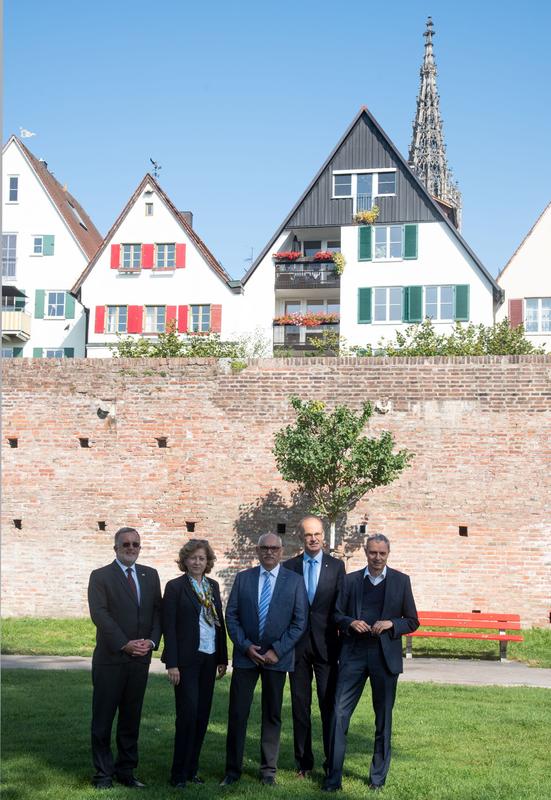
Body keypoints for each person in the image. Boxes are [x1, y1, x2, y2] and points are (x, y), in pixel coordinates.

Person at [323, 534, 419, 792]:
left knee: (383, 720)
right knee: (339, 714)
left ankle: (377, 779)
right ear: (366, 552)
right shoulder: (351, 580)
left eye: (382, 554)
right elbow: (336, 614)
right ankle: (333, 778)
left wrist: (391, 624)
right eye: (372, 553)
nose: (377, 558)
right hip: (353, 653)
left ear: (388, 554)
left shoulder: (401, 581)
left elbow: (412, 620)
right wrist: (349, 622)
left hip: (384, 657)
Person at [220, 533, 308, 787]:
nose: (269, 552)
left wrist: (277, 651)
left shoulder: (294, 582)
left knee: (272, 714)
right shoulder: (243, 579)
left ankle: (268, 771)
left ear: (282, 551)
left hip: (276, 659)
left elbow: (299, 622)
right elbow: (232, 616)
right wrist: (246, 647)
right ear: (257, 550)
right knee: (238, 713)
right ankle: (232, 770)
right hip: (247, 657)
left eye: (274, 548)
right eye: (264, 548)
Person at [88, 527, 162, 789]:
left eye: (136, 544)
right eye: (126, 544)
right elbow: (100, 615)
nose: (131, 548)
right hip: (111, 659)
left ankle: (126, 771)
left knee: (131, 719)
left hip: (140, 660)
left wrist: (151, 642)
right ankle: (103, 774)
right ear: (116, 547)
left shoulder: (150, 575)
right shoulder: (100, 577)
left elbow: (157, 613)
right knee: (103, 720)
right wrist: (124, 644)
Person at [282, 515, 345, 778]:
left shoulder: (336, 567)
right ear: (301, 537)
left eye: (318, 533)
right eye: (308, 534)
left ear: (324, 535)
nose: (314, 538)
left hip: (327, 646)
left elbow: (341, 607)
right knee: (300, 707)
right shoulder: (289, 567)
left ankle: (331, 763)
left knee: (329, 705)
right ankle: (303, 763)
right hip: (296, 648)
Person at [162, 539, 228, 789]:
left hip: (209, 657)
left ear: (207, 561)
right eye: (193, 558)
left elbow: (218, 622)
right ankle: (178, 773)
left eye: (202, 558)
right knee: (187, 715)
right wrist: (173, 664)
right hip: (186, 661)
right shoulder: (175, 587)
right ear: (185, 561)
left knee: (202, 716)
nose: (197, 562)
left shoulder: (212, 585)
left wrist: (222, 657)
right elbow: (169, 627)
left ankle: (192, 770)